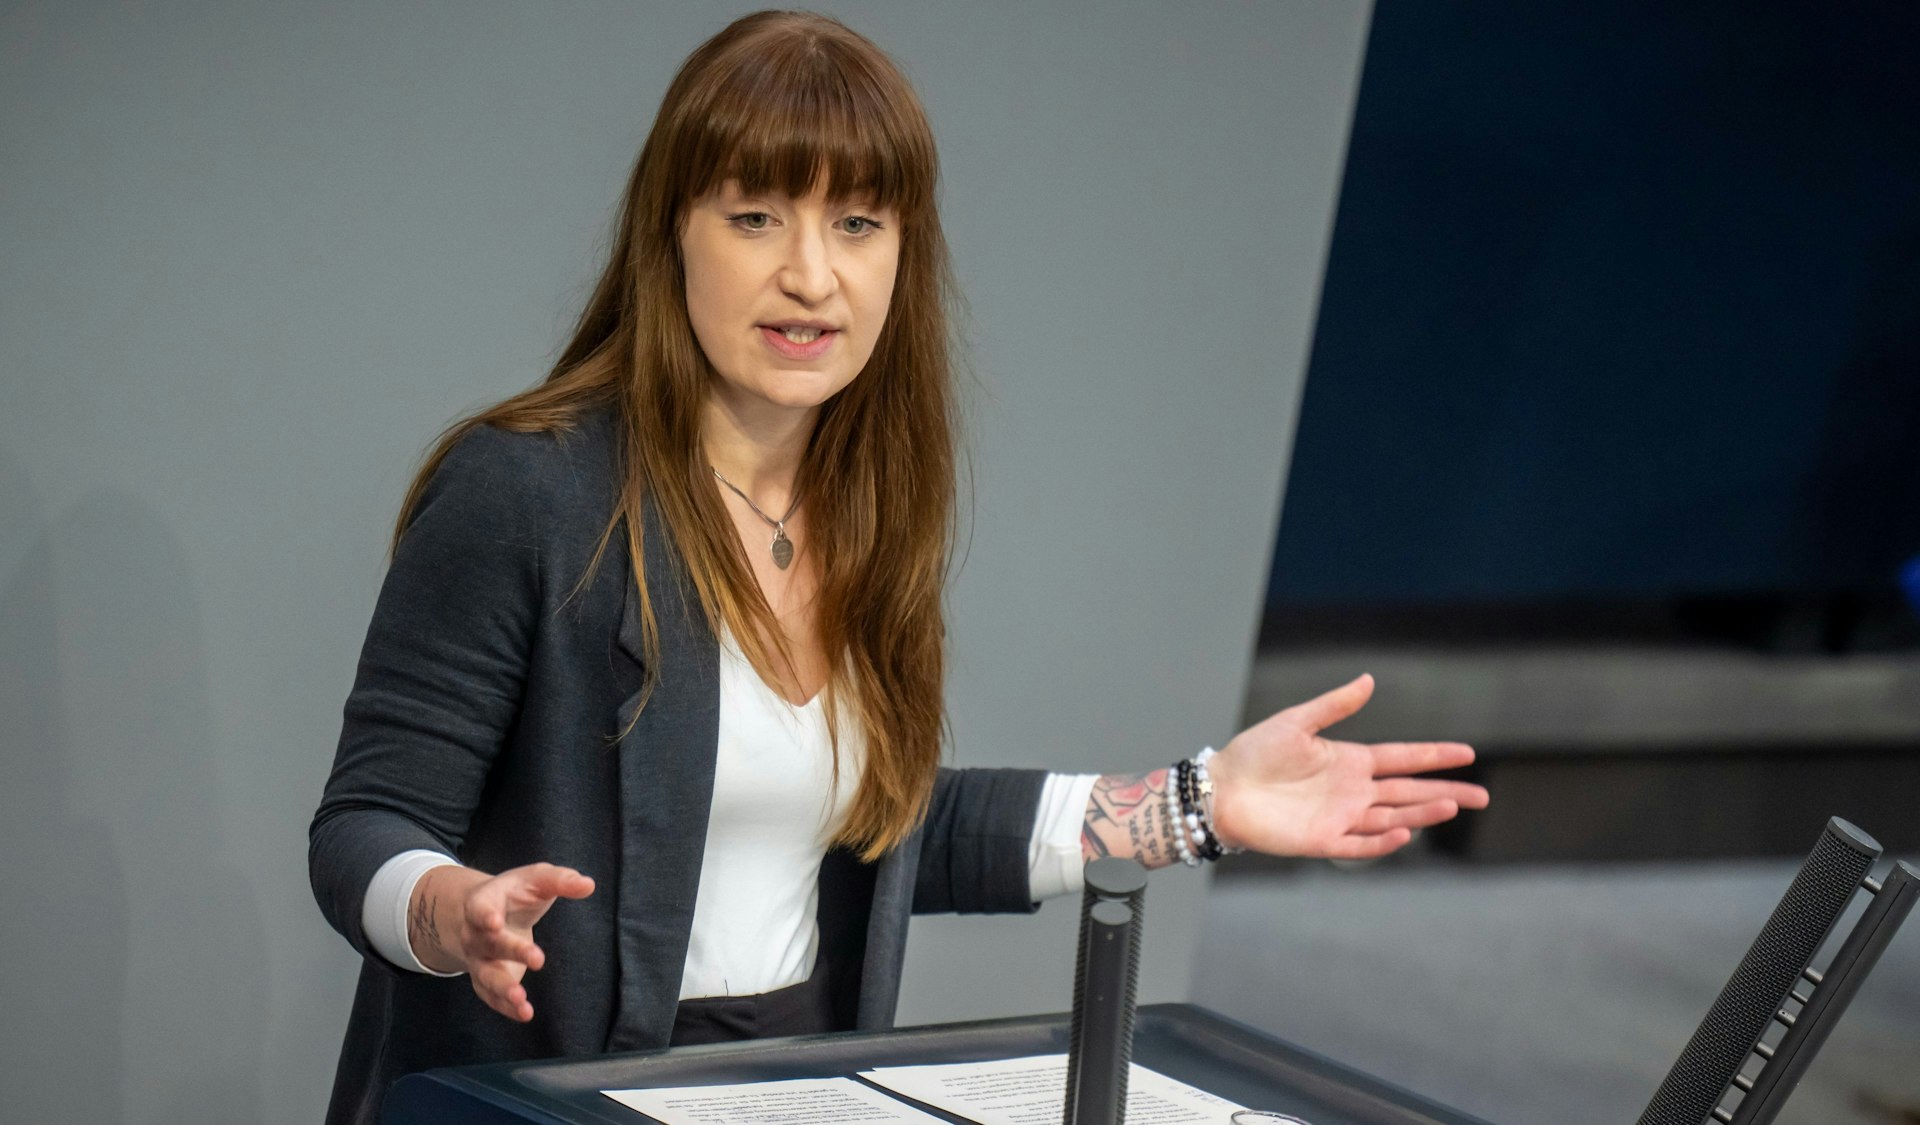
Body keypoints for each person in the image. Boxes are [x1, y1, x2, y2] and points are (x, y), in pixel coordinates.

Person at [307, 10, 1489, 1124]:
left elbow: (888, 828)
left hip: (786, 1079)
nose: (810, 275)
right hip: (545, 1092)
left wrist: (1198, 804)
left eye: (857, 225)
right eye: (755, 217)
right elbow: (364, 824)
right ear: (671, 233)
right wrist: (448, 909)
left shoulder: (861, 508)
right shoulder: (527, 490)